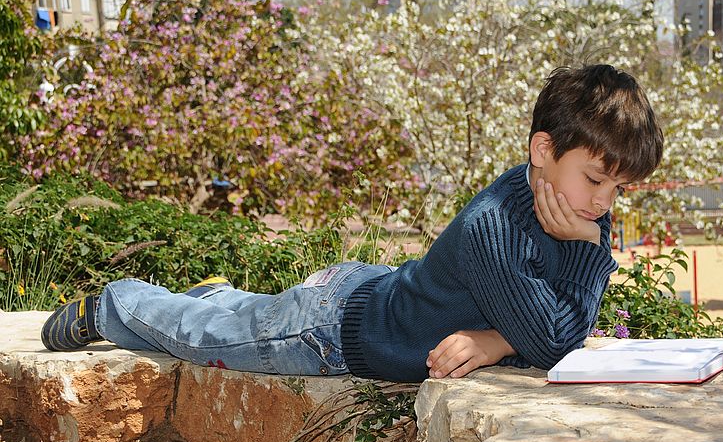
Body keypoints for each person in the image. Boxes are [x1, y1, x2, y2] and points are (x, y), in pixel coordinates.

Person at [41, 63, 664, 383]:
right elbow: (557, 341)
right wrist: (523, 325)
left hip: (379, 288)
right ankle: (114, 306)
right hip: (333, 330)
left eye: (617, 188)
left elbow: (558, 328)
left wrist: (499, 339)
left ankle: (222, 296)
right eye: (595, 179)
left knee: (230, 316)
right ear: (542, 151)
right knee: (208, 339)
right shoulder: (495, 225)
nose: (603, 204)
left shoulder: (570, 204)